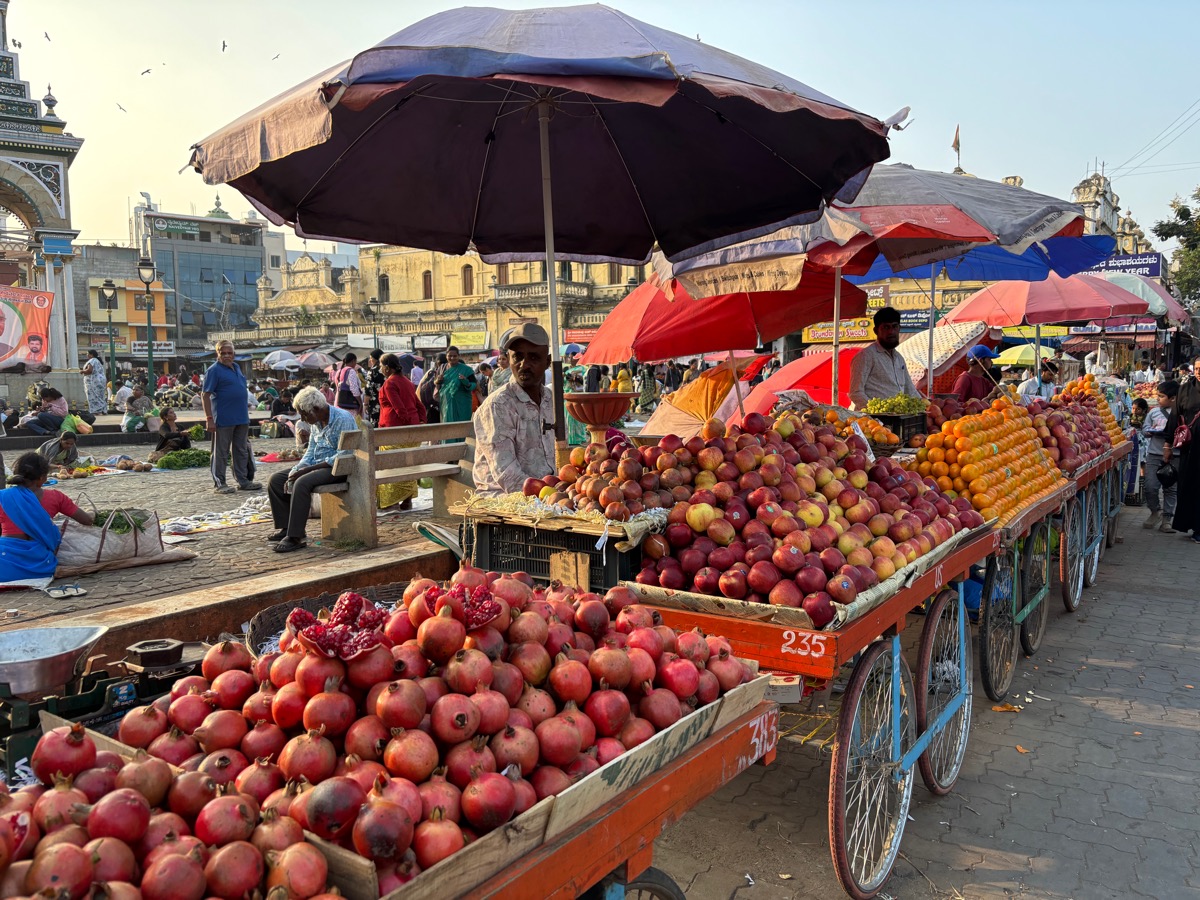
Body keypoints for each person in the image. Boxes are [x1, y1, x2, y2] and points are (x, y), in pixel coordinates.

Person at [267, 387, 357, 553]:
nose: (302, 418)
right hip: (318, 465)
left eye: (304, 414)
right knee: (277, 479)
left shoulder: (342, 418)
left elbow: (344, 455)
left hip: (338, 468)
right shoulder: (315, 421)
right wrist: (298, 468)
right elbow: (311, 451)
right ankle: (287, 527)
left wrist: (306, 471)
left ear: (316, 409)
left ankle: (296, 537)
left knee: (302, 482)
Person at [473, 324, 555, 497]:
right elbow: (507, 475)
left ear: (547, 362)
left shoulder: (550, 400)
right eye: (517, 357)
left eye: (533, 358)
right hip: (503, 499)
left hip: (546, 495)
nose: (524, 365)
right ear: (509, 359)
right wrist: (551, 496)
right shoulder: (498, 405)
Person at [0, 452, 94, 590]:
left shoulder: (3, 497)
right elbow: (86, 520)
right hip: (39, 563)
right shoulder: (56, 497)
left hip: (4, 561)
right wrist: (92, 514)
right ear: (42, 477)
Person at [203, 340, 260, 495]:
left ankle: (243, 480)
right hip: (222, 418)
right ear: (218, 354)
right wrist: (209, 418)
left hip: (241, 417)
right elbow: (205, 395)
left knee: (241, 450)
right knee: (221, 452)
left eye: (230, 353)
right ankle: (220, 482)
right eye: (223, 353)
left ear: (234, 354)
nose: (227, 356)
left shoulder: (236, 368)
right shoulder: (214, 370)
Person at [376, 352, 427, 511]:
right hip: (411, 429)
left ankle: (392, 502)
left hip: (395, 430)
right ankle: (407, 501)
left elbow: (399, 408)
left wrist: (405, 426)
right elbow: (419, 405)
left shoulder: (390, 384)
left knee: (391, 465)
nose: (380, 369)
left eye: (381, 366)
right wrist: (419, 422)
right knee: (408, 464)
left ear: (387, 367)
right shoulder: (406, 381)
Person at [848, 307, 920, 410]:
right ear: (876, 330)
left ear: (899, 328)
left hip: (897, 419)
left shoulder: (899, 359)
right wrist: (876, 411)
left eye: (894, 326)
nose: (891, 332)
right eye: (886, 327)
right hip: (870, 421)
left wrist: (925, 405)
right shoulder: (865, 356)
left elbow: (910, 390)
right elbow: (855, 393)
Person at [1170, 358, 1200, 542]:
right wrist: (1168, 443)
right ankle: (1194, 525)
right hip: (1191, 449)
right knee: (1191, 485)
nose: (1199, 371)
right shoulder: (1186, 389)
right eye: (1197, 368)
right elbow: (1175, 415)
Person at [1143, 381, 1178, 534]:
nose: (1158, 399)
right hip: (1154, 453)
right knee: (1150, 486)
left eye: (1161, 396)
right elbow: (1145, 429)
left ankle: (1167, 520)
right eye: (1158, 395)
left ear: (1173, 398)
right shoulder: (1153, 412)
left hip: (1175, 455)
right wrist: (1149, 432)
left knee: (1170, 488)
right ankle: (1154, 511)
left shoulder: (1180, 413)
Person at [437, 346, 476, 430]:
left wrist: (466, 382)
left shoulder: (466, 369)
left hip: (462, 403)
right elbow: (436, 382)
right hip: (446, 401)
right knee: (447, 425)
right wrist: (438, 380)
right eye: (450, 356)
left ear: (458, 356)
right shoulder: (441, 368)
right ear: (446, 356)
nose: (452, 358)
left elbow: (474, 385)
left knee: (462, 427)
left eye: (455, 356)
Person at [332, 353, 363, 417]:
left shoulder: (339, 371)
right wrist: (360, 403)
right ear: (353, 361)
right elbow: (354, 389)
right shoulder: (351, 371)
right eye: (355, 362)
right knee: (353, 424)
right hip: (350, 405)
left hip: (340, 403)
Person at [417, 353, 445, 424]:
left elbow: (419, 391)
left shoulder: (430, 373)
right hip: (440, 409)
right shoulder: (433, 374)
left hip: (429, 409)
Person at [81, 350, 108, 416]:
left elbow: (90, 370)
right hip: (100, 380)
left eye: (87, 354)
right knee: (100, 396)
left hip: (93, 381)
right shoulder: (98, 361)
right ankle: (103, 410)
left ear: (91, 354)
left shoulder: (92, 360)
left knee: (93, 396)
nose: (87, 355)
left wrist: (82, 371)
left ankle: (96, 411)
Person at [363, 349, 385, 426]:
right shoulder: (388, 370)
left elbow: (368, 390)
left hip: (375, 403)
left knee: (375, 426)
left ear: (375, 359)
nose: (370, 360)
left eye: (371, 358)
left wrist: (365, 405)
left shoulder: (372, 371)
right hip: (388, 402)